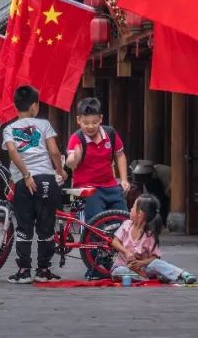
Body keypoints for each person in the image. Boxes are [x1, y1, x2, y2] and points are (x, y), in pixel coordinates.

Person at [2, 85, 64, 284]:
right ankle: (44, 270)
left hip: (23, 181)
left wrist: (26, 174)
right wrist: (60, 171)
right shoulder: (44, 124)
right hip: (46, 178)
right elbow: (54, 151)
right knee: (46, 225)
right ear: (35, 106)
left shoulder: (9, 129)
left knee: (24, 225)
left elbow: (13, 152)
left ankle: (23, 270)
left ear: (16, 106)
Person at [65, 96, 131, 278]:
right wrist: (75, 157)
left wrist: (123, 179)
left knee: (124, 223)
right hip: (88, 190)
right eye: (86, 123)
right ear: (78, 120)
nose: (90, 126)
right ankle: (95, 267)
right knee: (94, 228)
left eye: (94, 122)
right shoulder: (76, 138)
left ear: (101, 119)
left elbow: (120, 155)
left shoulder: (110, 133)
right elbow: (71, 162)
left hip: (111, 186)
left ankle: (122, 262)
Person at [109, 194, 196, 285]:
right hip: (124, 266)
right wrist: (126, 252)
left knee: (157, 263)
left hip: (144, 268)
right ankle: (143, 277)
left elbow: (155, 257)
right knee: (118, 271)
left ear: (140, 214)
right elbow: (115, 241)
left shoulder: (149, 235)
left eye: (133, 207)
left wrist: (141, 263)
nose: (130, 209)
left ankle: (183, 274)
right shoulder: (126, 225)